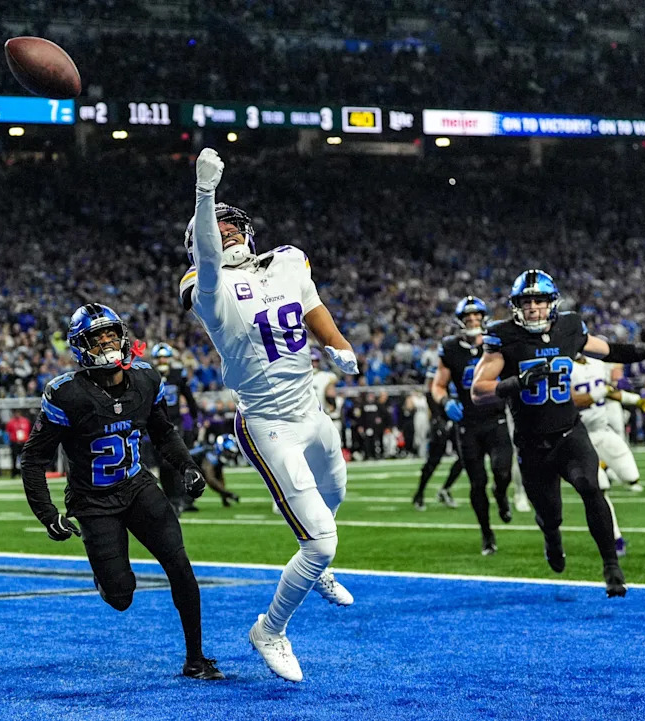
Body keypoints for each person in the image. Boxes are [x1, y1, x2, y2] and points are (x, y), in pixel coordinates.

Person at [179, 148, 355, 682]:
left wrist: (337, 344)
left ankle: (314, 568)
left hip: (311, 409)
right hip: (268, 423)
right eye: (216, 227)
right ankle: (270, 629)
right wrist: (205, 195)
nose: (226, 232)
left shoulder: (287, 259)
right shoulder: (205, 285)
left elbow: (311, 305)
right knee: (321, 540)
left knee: (337, 495)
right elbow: (209, 261)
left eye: (233, 225)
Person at [20, 303, 223, 681]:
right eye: (98, 338)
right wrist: (47, 515)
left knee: (179, 565)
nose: (108, 342)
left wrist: (187, 467)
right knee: (121, 596)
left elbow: (163, 431)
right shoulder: (67, 394)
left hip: (137, 485)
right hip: (93, 500)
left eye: (112, 334)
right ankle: (106, 577)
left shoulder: (146, 379)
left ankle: (196, 659)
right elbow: (33, 459)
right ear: (81, 347)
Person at [471, 269, 645, 597]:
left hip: (569, 432)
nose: (533, 308)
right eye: (526, 302)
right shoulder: (504, 337)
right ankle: (552, 539)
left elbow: (608, 350)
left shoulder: (569, 327)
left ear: (552, 303)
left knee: (591, 487)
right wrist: (518, 382)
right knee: (550, 514)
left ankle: (611, 566)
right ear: (516, 306)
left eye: (539, 300)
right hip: (532, 444)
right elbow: (478, 391)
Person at [430, 296, 514, 555]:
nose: (473, 321)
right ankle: (487, 534)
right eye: (468, 318)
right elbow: (438, 384)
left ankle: (501, 495)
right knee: (477, 483)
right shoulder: (451, 348)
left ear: (484, 318)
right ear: (460, 321)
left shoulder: (496, 342)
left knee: (503, 472)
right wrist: (445, 402)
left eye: (477, 317)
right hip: (467, 424)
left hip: (496, 419)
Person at [570, 352, 645, 557]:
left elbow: (610, 392)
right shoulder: (564, 367)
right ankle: (615, 538)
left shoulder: (598, 365)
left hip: (603, 431)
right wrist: (600, 391)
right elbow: (575, 400)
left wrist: (636, 400)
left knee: (631, 476)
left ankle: (604, 467)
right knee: (600, 491)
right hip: (580, 437)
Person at [150, 342, 201, 515]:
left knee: (174, 462)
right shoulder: (151, 375)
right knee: (162, 464)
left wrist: (195, 420)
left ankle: (179, 499)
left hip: (174, 424)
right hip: (156, 423)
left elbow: (190, 398)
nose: (163, 360)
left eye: (165, 357)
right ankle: (171, 498)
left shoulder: (178, 375)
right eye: (159, 357)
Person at [188, 433, 242, 506]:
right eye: (229, 452)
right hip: (178, 468)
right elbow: (210, 479)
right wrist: (228, 493)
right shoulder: (211, 455)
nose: (231, 455)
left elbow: (220, 478)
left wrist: (224, 498)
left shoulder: (217, 456)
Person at [6, 410, 32, 478]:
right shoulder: (11, 422)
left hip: (24, 442)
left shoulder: (25, 421)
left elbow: (29, 431)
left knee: (25, 458)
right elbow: (8, 432)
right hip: (15, 442)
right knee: (14, 458)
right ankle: (14, 473)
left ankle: (25, 472)